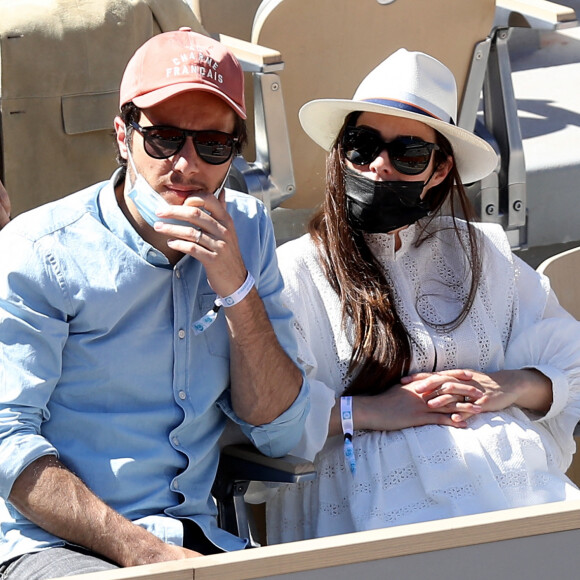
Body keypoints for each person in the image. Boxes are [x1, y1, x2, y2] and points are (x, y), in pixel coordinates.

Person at [0, 28, 309, 577]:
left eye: (211, 146)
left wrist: (236, 289)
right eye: (164, 138)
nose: (186, 166)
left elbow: (280, 429)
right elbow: (6, 440)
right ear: (123, 136)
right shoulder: (40, 250)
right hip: (56, 545)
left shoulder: (249, 230)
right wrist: (144, 553)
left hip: (193, 539)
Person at [265, 49, 580, 543]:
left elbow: (573, 360)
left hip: (518, 489)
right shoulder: (296, 270)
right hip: (374, 506)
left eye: (408, 153)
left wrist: (512, 385)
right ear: (340, 153)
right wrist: (370, 411)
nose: (379, 167)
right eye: (361, 145)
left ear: (438, 170)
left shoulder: (482, 251)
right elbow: (266, 419)